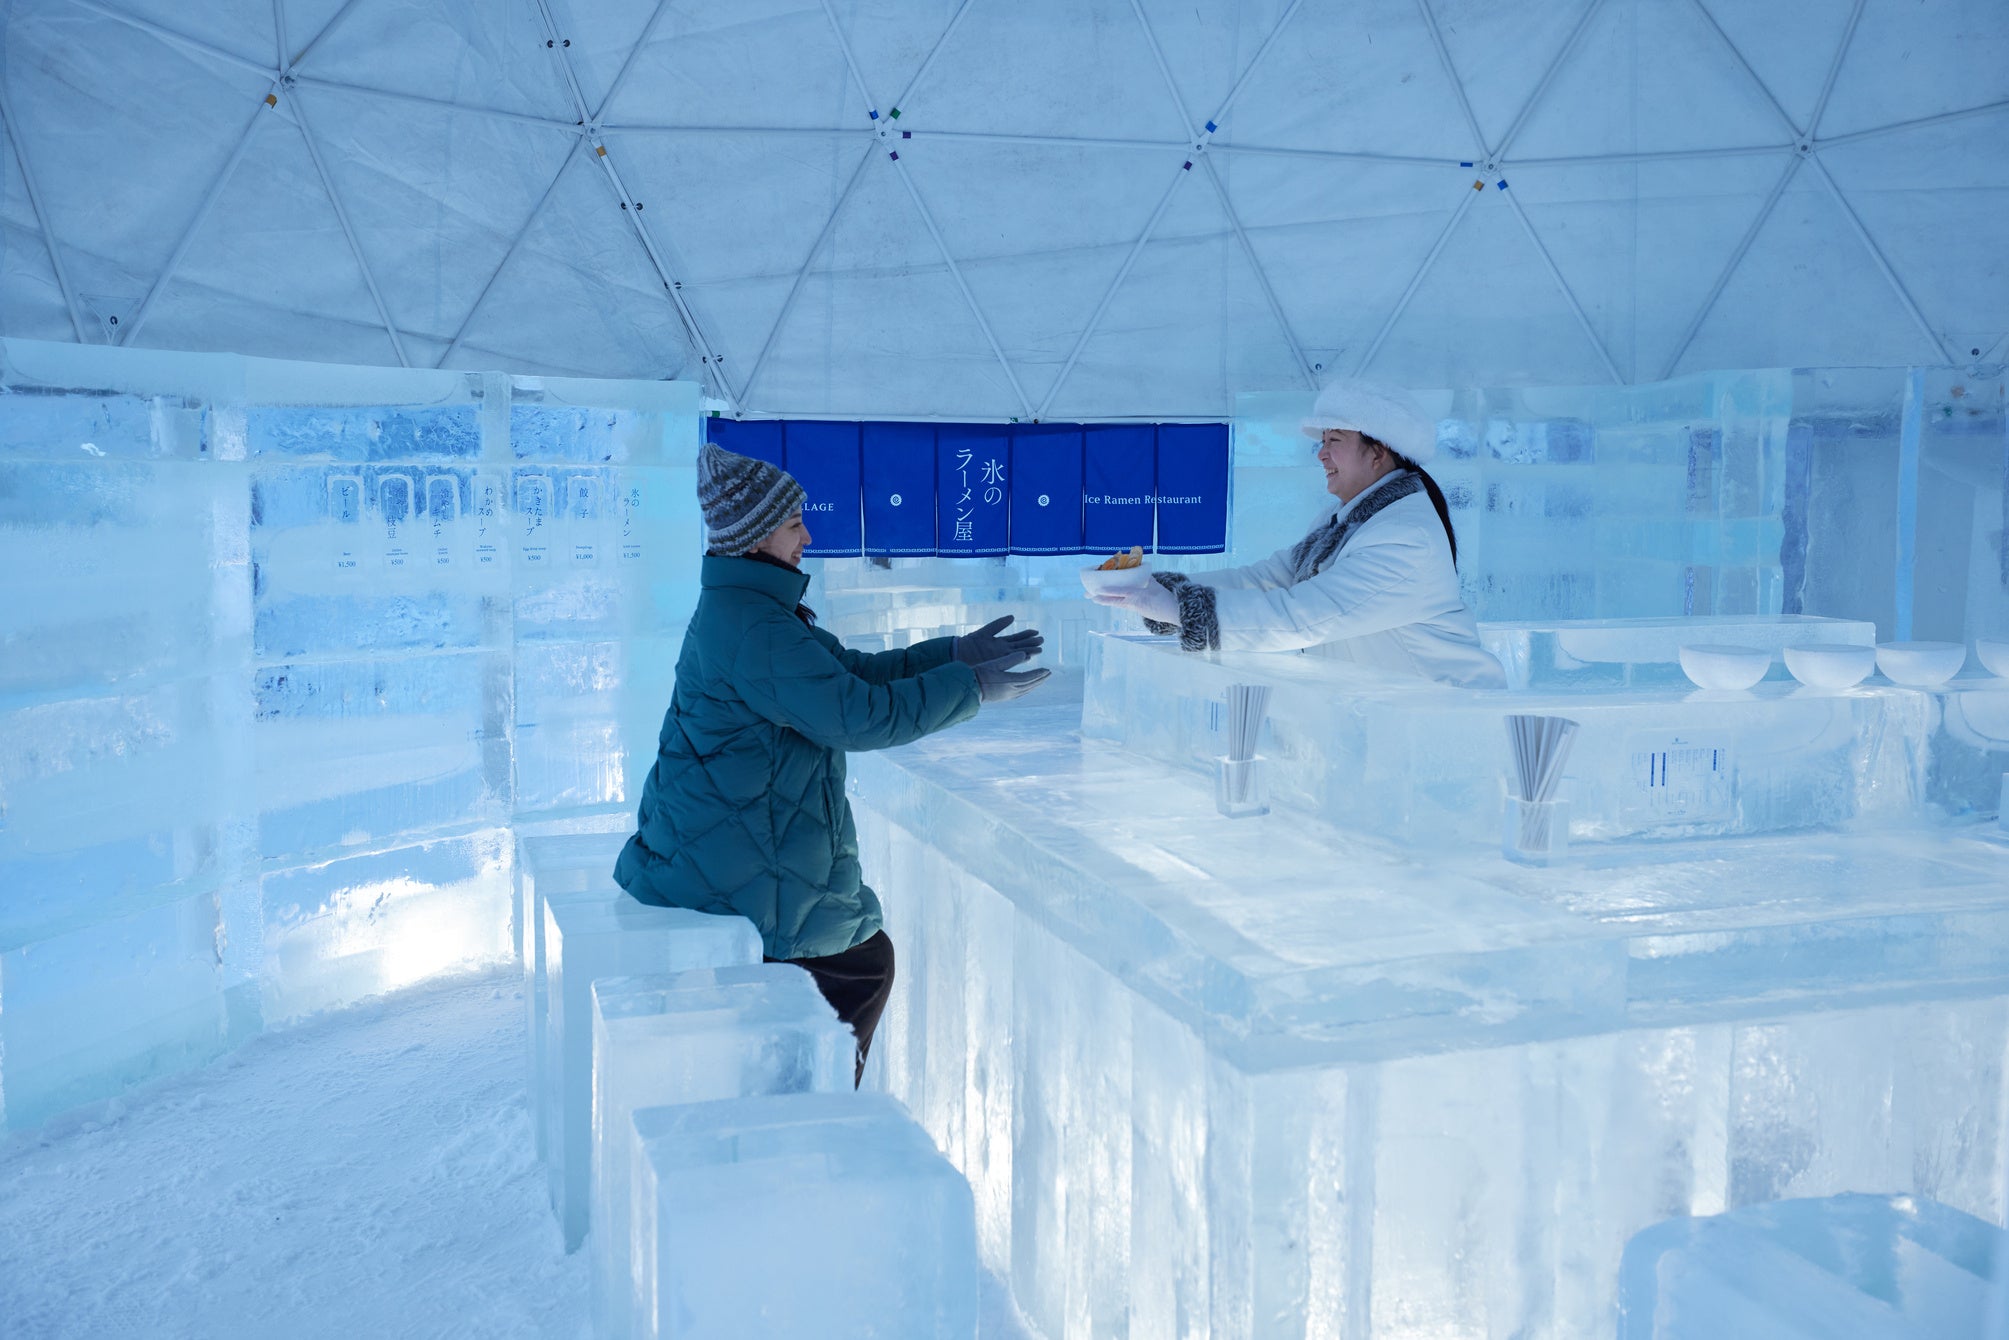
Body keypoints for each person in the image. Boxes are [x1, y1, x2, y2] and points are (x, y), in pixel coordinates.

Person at [614, 442, 1051, 1086]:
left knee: (863, 959)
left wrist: (953, 654)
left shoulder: (749, 611)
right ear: (754, 534)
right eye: (795, 524)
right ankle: (800, 1109)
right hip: (727, 872)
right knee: (861, 966)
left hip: (716, 849)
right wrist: (970, 687)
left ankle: (801, 1095)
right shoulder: (757, 628)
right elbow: (858, 716)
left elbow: (849, 674)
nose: (808, 537)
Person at [1090, 379, 1506, 689]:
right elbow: (1266, 579)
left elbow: (1302, 618)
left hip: (1446, 723)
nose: (1321, 453)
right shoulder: (1343, 523)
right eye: (1322, 441)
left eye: (1334, 439)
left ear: (1378, 452)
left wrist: (1178, 610)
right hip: (1396, 722)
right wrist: (1165, 589)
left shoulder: (1405, 538)